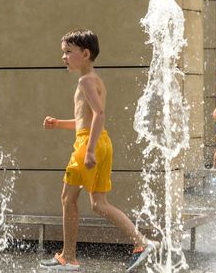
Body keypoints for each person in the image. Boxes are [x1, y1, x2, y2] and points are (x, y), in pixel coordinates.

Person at [40, 29, 156, 271]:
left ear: (85, 53)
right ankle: (142, 243)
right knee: (99, 203)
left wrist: (89, 149)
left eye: (68, 52)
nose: (64, 57)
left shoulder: (85, 81)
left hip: (89, 144)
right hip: (100, 142)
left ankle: (68, 258)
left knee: (67, 198)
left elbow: (99, 115)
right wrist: (58, 123)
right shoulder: (94, 80)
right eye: (63, 52)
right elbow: (86, 121)